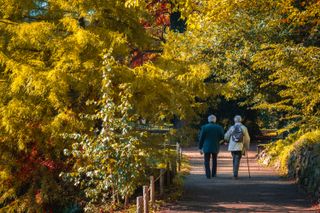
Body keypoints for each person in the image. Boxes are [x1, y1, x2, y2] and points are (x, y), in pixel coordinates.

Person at [198, 115, 224, 179]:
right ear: (215, 120)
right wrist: (220, 142)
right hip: (215, 146)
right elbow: (222, 137)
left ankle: (208, 175)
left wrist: (200, 147)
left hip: (206, 147)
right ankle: (214, 174)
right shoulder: (219, 127)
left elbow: (201, 138)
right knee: (214, 160)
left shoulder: (204, 127)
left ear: (208, 120)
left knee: (206, 161)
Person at [224, 115, 250, 179]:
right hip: (240, 146)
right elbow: (247, 138)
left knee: (234, 159)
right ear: (240, 120)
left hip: (232, 147)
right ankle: (235, 174)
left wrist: (226, 140)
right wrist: (246, 146)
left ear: (234, 120)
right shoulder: (244, 128)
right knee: (237, 159)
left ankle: (234, 173)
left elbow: (226, 136)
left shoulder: (232, 127)